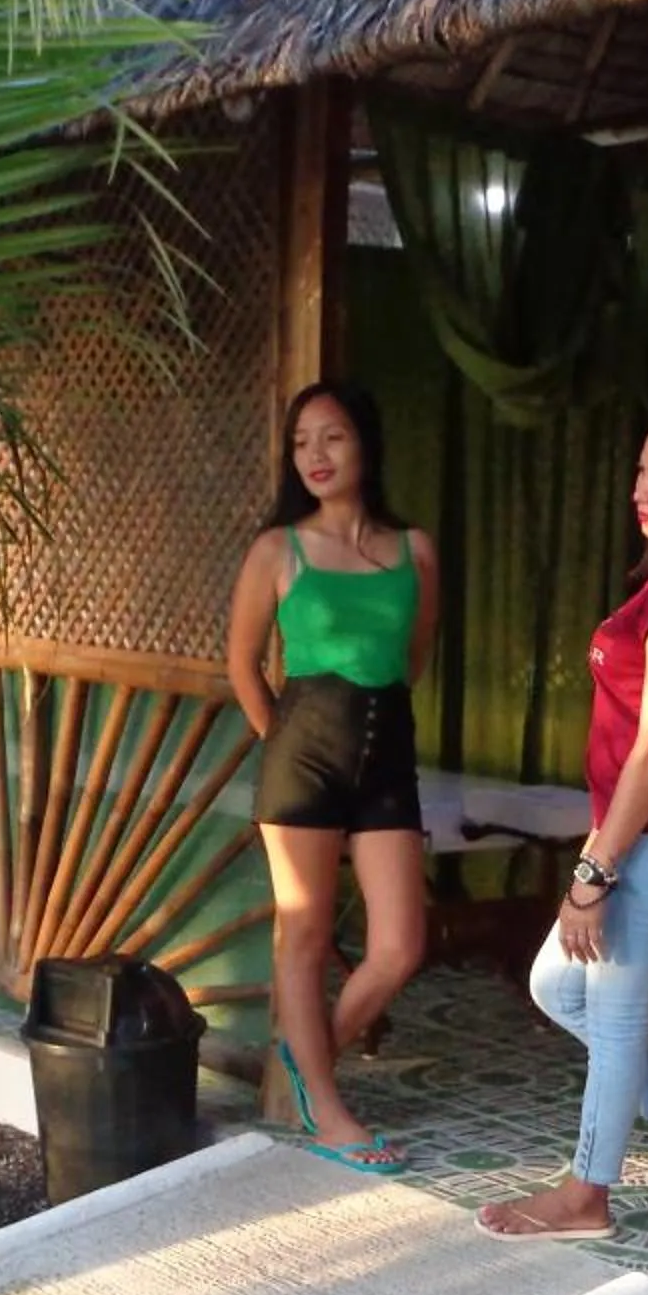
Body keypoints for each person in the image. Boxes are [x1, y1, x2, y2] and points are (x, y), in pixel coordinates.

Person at [477, 405, 648, 1241]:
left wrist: (596, 872)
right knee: (556, 986)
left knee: (617, 1018)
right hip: (646, 831)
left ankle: (588, 1194)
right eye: (641, 473)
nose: (642, 491)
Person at [225, 380, 437, 1175]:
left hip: (386, 754)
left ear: (365, 446)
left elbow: (412, 658)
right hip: (303, 753)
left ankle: (304, 1067)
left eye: (333, 438)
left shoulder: (414, 550)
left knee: (399, 947)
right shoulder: (276, 551)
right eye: (301, 442)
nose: (314, 455)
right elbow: (242, 665)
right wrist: (283, 740)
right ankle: (327, 1107)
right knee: (307, 932)